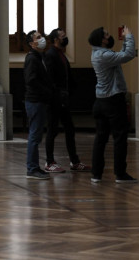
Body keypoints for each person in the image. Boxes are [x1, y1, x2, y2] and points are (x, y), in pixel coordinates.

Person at [87, 25, 137, 183]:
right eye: (107, 35)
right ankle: (120, 174)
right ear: (102, 40)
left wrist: (124, 43)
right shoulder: (104, 55)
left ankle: (96, 174)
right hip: (113, 101)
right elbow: (128, 55)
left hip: (101, 101)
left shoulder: (98, 53)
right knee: (120, 137)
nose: (109, 36)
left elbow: (120, 55)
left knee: (100, 138)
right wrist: (129, 37)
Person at [43, 28, 91, 173]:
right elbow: (50, 78)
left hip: (63, 98)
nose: (65, 38)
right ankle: (49, 161)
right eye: (63, 36)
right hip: (55, 99)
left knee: (69, 129)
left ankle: (74, 161)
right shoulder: (51, 55)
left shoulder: (61, 54)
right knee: (52, 130)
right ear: (56, 39)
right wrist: (55, 96)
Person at [24, 30, 54, 180]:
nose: (42, 39)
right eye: (38, 37)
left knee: (36, 135)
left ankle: (34, 167)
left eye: (41, 36)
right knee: (34, 136)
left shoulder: (39, 57)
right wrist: (47, 92)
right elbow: (31, 80)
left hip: (39, 100)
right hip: (35, 101)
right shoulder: (32, 59)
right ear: (31, 43)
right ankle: (32, 168)